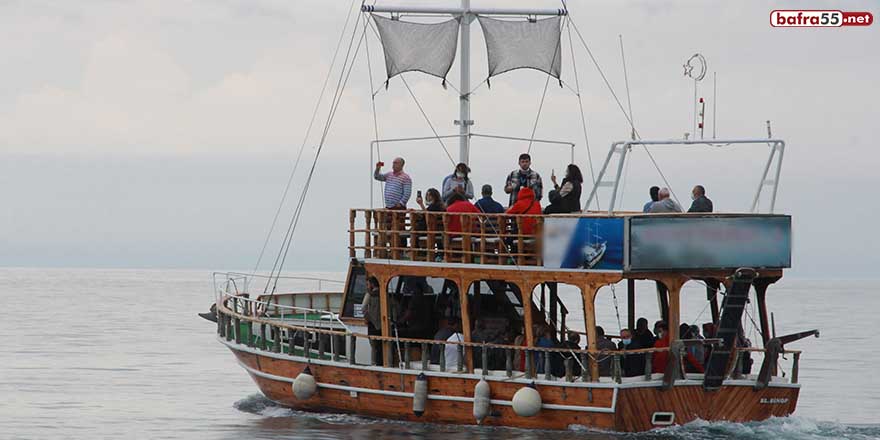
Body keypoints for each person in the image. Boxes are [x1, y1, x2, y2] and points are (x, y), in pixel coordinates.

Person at [362, 277, 384, 366]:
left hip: (372, 324)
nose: (367, 286)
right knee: (381, 345)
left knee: (373, 345)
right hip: (382, 324)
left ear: (371, 284)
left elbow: (363, 308)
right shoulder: (383, 293)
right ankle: (381, 363)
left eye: (368, 284)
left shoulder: (370, 294)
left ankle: (374, 363)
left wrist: (367, 318)